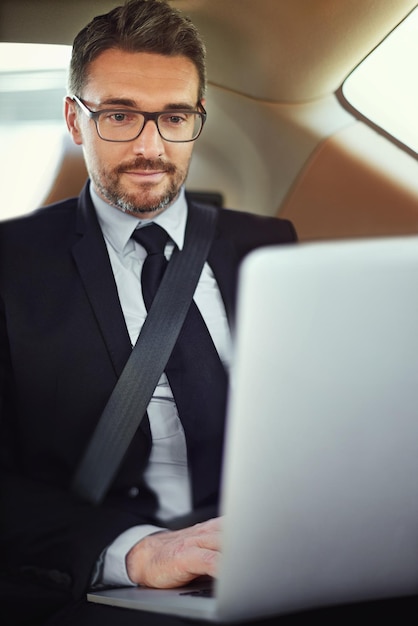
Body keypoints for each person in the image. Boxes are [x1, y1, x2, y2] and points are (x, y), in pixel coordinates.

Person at [0, 1, 297, 624]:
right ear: (74, 121)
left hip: (279, 556)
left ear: (198, 120)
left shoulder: (270, 245)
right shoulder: (12, 264)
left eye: (173, 117)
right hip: (102, 582)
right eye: (118, 116)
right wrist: (134, 553)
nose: (149, 147)